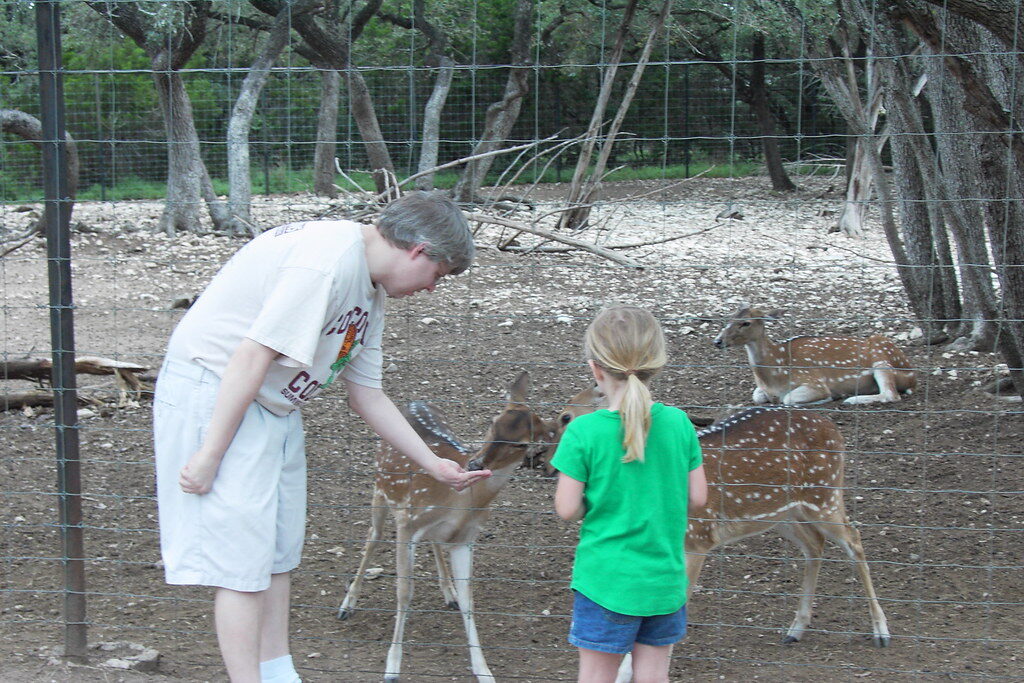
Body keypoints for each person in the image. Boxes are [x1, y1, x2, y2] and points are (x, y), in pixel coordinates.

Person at [152, 192, 492, 683]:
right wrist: (210, 454)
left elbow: (366, 394)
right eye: (437, 274)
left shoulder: (370, 289)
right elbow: (251, 356)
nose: (432, 288)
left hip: (274, 405)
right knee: (241, 563)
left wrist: (432, 464)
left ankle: (278, 672)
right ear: (419, 250)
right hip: (219, 393)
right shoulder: (327, 263)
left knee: (277, 553)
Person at [551, 305, 708, 683]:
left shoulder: (583, 432)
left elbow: (567, 509)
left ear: (595, 369)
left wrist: (601, 498)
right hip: (664, 582)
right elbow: (698, 498)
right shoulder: (679, 423)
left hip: (605, 582)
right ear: (656, 362)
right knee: (653, 676)